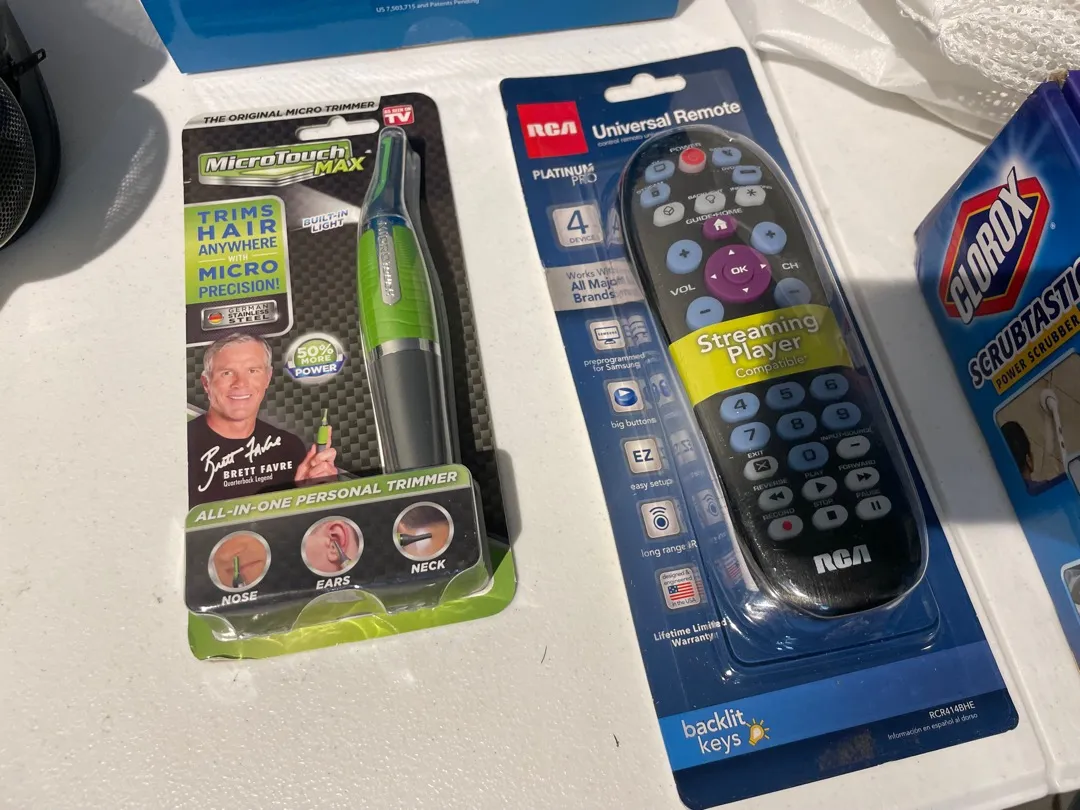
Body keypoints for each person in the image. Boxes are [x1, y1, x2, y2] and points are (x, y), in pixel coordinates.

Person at [188, 333, 337, 507]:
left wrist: (306, 495)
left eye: (252, 371)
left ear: (268, 377)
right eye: (227, 373)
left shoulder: (289, 447)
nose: (240, 383)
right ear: (206, 383)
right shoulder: (181, 448)